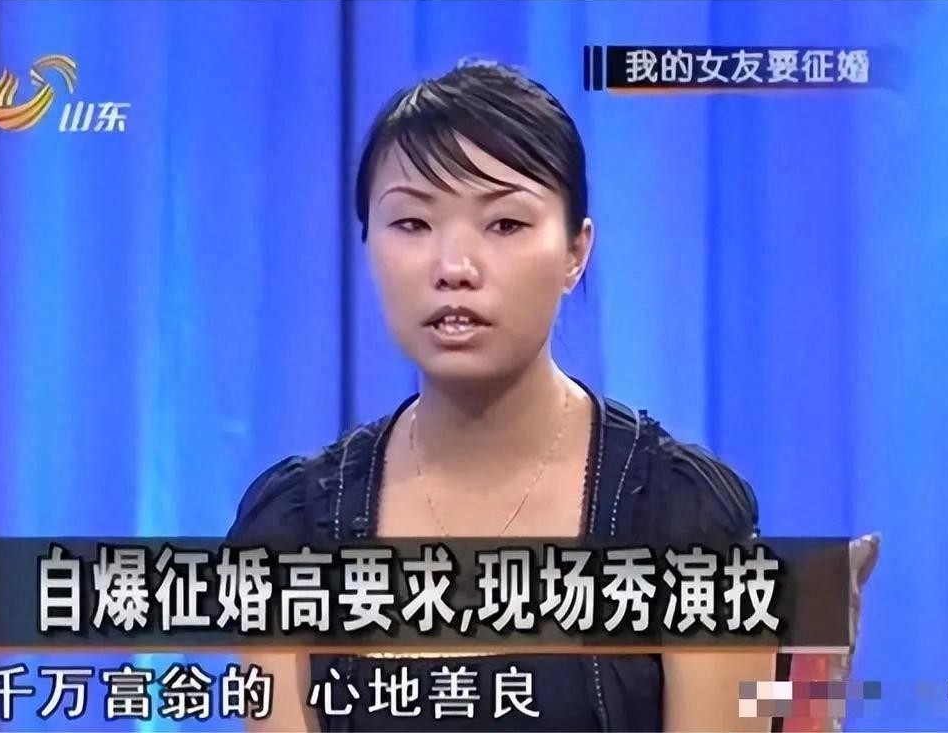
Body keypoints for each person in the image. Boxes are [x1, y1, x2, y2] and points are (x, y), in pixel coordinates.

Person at [229, 59, 775, 732]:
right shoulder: (292, 528)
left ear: (576, 251)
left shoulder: (683, 517)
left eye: (505, 224)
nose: (454, 268)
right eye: (412, 224)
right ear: (368, 244)